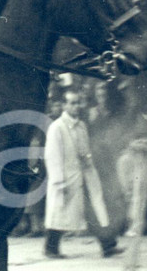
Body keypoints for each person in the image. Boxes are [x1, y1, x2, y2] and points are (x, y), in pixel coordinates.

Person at [43, 90, 124, 258]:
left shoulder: (81, 126)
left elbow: (85, 150)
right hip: (66, 177)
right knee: (60, 213)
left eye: (78, 103)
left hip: (85, 175)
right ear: (64, 106)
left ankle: (107, 245)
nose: (76, 107)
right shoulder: (56, 127)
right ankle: (50, 248)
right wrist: (59, 182)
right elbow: (52, 156)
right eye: (71, 103)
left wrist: (88, 162)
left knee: (94, 209)